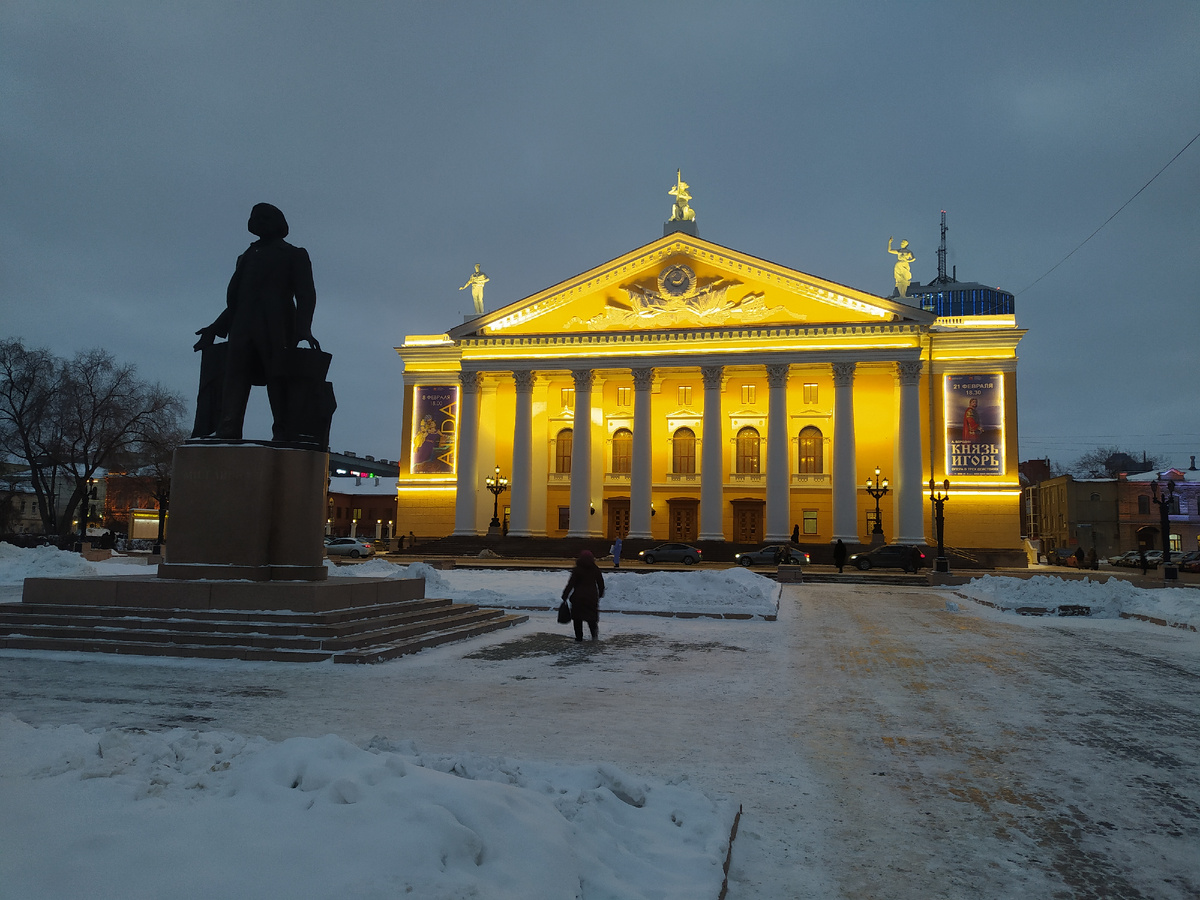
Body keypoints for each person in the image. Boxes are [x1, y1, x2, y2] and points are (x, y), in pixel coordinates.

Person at [194, 203, 319, 441]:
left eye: (265, 218)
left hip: (277, 326)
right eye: (255, 218)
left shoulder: (294, 254)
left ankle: (284, 433)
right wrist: (215, 328)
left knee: (279, 379)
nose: (258, 222)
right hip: (242, 327)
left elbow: (306, 294)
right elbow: (239, 301)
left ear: (278, 223)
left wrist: (303, 328)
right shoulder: (246, 256)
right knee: (234, 378)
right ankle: (227, 430)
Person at [562, 549, 604, 642]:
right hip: (591, 597)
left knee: (577, 618)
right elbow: (600, 583)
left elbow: (571, 584)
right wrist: (600, 594)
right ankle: (594, 636)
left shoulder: (577, 569)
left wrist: (565, 595)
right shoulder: (595, 569)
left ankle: (579, 637)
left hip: (578, 597)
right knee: (592, 618)